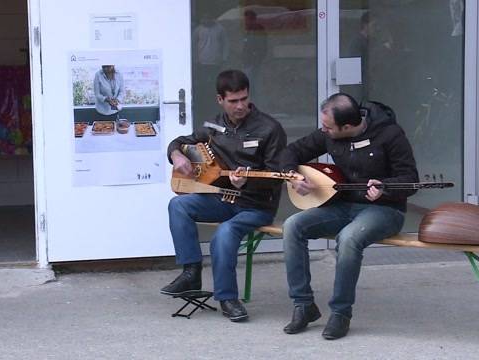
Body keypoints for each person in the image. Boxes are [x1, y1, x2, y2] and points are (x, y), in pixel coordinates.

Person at [279, 93, 419, 339]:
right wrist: (293, 175)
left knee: (349, 238)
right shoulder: (330, 134)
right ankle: (303, 305)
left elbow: (411, 181)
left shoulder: (390, 135)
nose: (323, 131)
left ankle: (341, 313)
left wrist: (385, 186)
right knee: (292, 226)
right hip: (343, 205)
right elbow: (291, 152)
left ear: (347, 126)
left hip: (385, 210)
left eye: (328, 127)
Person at [160, 70, 287, 322]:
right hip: (222, 198)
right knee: (178, 205)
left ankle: (227, 298)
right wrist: (176, 154)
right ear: (220, 99)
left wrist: (245, 182)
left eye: (244, 99)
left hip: (255, 204)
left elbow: (277, 175)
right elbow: (180, 141)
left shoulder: (270, 128)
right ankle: (191, 272)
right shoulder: (213, 126)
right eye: (233, 101)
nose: (240, 106)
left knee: (225, 233)